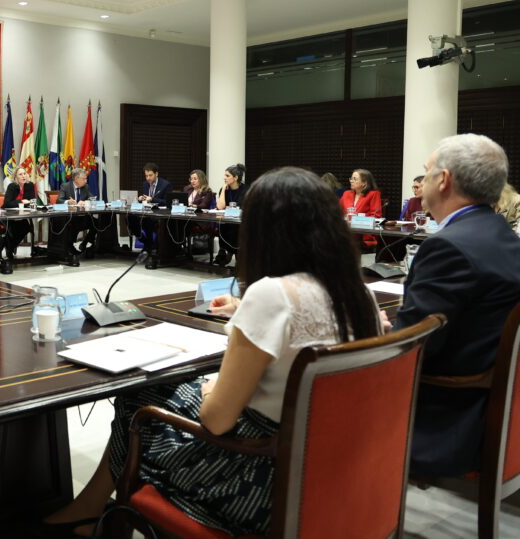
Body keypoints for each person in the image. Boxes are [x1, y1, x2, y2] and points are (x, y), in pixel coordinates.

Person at [43, 167, 381, 537]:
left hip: (256, 480)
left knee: (137, 398)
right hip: (326, 469)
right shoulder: (359, 295)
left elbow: (217, 420)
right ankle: (91, 511)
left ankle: (96, 516)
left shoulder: (272, 294)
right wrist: (245, 311)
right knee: (158, 392)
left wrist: (212, 387)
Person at [391, 134, 520, 477]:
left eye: (426, 172)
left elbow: (409, 349)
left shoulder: (449, 247)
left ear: (444, 180)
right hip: (498, 409)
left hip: (442, 419)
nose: (422, 181)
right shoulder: (503, 235)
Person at [129, 163, 172, 259]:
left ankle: (150, 246)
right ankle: (145, 241)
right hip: (146, 212)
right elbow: (146, 200)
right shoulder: (145, 184)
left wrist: (152, 199)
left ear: (156, 174)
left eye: (150, 175)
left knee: (148, 221)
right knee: (129, 217)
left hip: (159, 214)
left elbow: (167, 202)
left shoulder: (165, 185)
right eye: (146, 176)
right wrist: (141, 199)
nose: (148, 178)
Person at [1, 166, 36, 274]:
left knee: (26, 228)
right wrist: (21, 202)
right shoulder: (12, 186)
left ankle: (10, 248)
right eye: (20, 174)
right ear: (15, 177)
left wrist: (27, 203)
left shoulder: (29, 185)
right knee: (12, 229)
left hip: (22, 215)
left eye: (24, 173)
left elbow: (31, 200)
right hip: (9, 216)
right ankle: (9, 249)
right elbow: (7, 203)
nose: (23, 176)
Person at [57, 168, 95, 266]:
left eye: (86, 179)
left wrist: (86, 202)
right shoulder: (65, 186)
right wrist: (68, 201)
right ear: (76, 179)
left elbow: (92, 199)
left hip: (82, 217)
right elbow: (59, 200)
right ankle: (70, 248)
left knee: (97, 224)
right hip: (69, 218)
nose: (86, 181)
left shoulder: (85, 187)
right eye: (84, 178)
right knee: (73, 225)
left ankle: (84, 243)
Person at [214, 163, 247, 267]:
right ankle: (226, 252)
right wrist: (224, 189)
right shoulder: (225, 189)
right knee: (223, 225)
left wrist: (228, 207)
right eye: (225, 175)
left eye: (227, 176)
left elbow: (242, 207)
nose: (224, 178)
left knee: (234, 227)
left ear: (236, 177)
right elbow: (220, 207)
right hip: (228, 220)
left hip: (242, 222)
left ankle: (233, 254)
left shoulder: (245, 189)